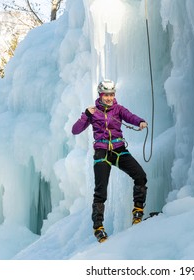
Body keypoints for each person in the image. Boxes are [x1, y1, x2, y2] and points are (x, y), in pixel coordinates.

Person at [72, 79, 148, 243]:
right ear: (100, 95)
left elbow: (130, 117)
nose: (109, 98)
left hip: (119, 150)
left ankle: (138, 211)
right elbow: (75, 130)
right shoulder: (92, 112)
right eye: (106, 95)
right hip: (102, 153)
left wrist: (140, 121)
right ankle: (98, 228)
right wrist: (86, 115)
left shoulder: (118, 109)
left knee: (140, 176)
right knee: (101, 191)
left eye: (111, 94)